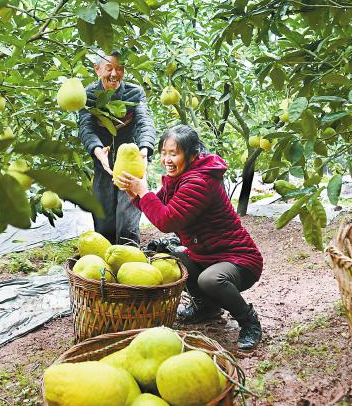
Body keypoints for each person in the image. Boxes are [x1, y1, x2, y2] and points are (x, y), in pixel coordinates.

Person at [115, 124, 264, 350]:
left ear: (193, 155)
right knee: (171, 257)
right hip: (205, 254)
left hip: (239, 260)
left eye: (174, 153)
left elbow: (167, 221)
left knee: (210, 280)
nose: (167, 159)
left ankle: (249, 321)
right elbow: (160, 207)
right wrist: (135, 195)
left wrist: (143, 192)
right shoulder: (177, 179)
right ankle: (207, 307)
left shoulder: (199, 182)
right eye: (164, 153)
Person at [78, 51, 157, 245]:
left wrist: (145, 148)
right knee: (103, 223)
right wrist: (97, 150)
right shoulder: (87, 95)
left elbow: (144, 122)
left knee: (127, 224)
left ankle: (130, 264)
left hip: (129, 165)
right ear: (97, 69)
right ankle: (106, 268)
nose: (114, 73)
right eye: (109, 68)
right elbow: (86, 128)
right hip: (102, 164)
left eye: (119, 68)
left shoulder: (134, 92)